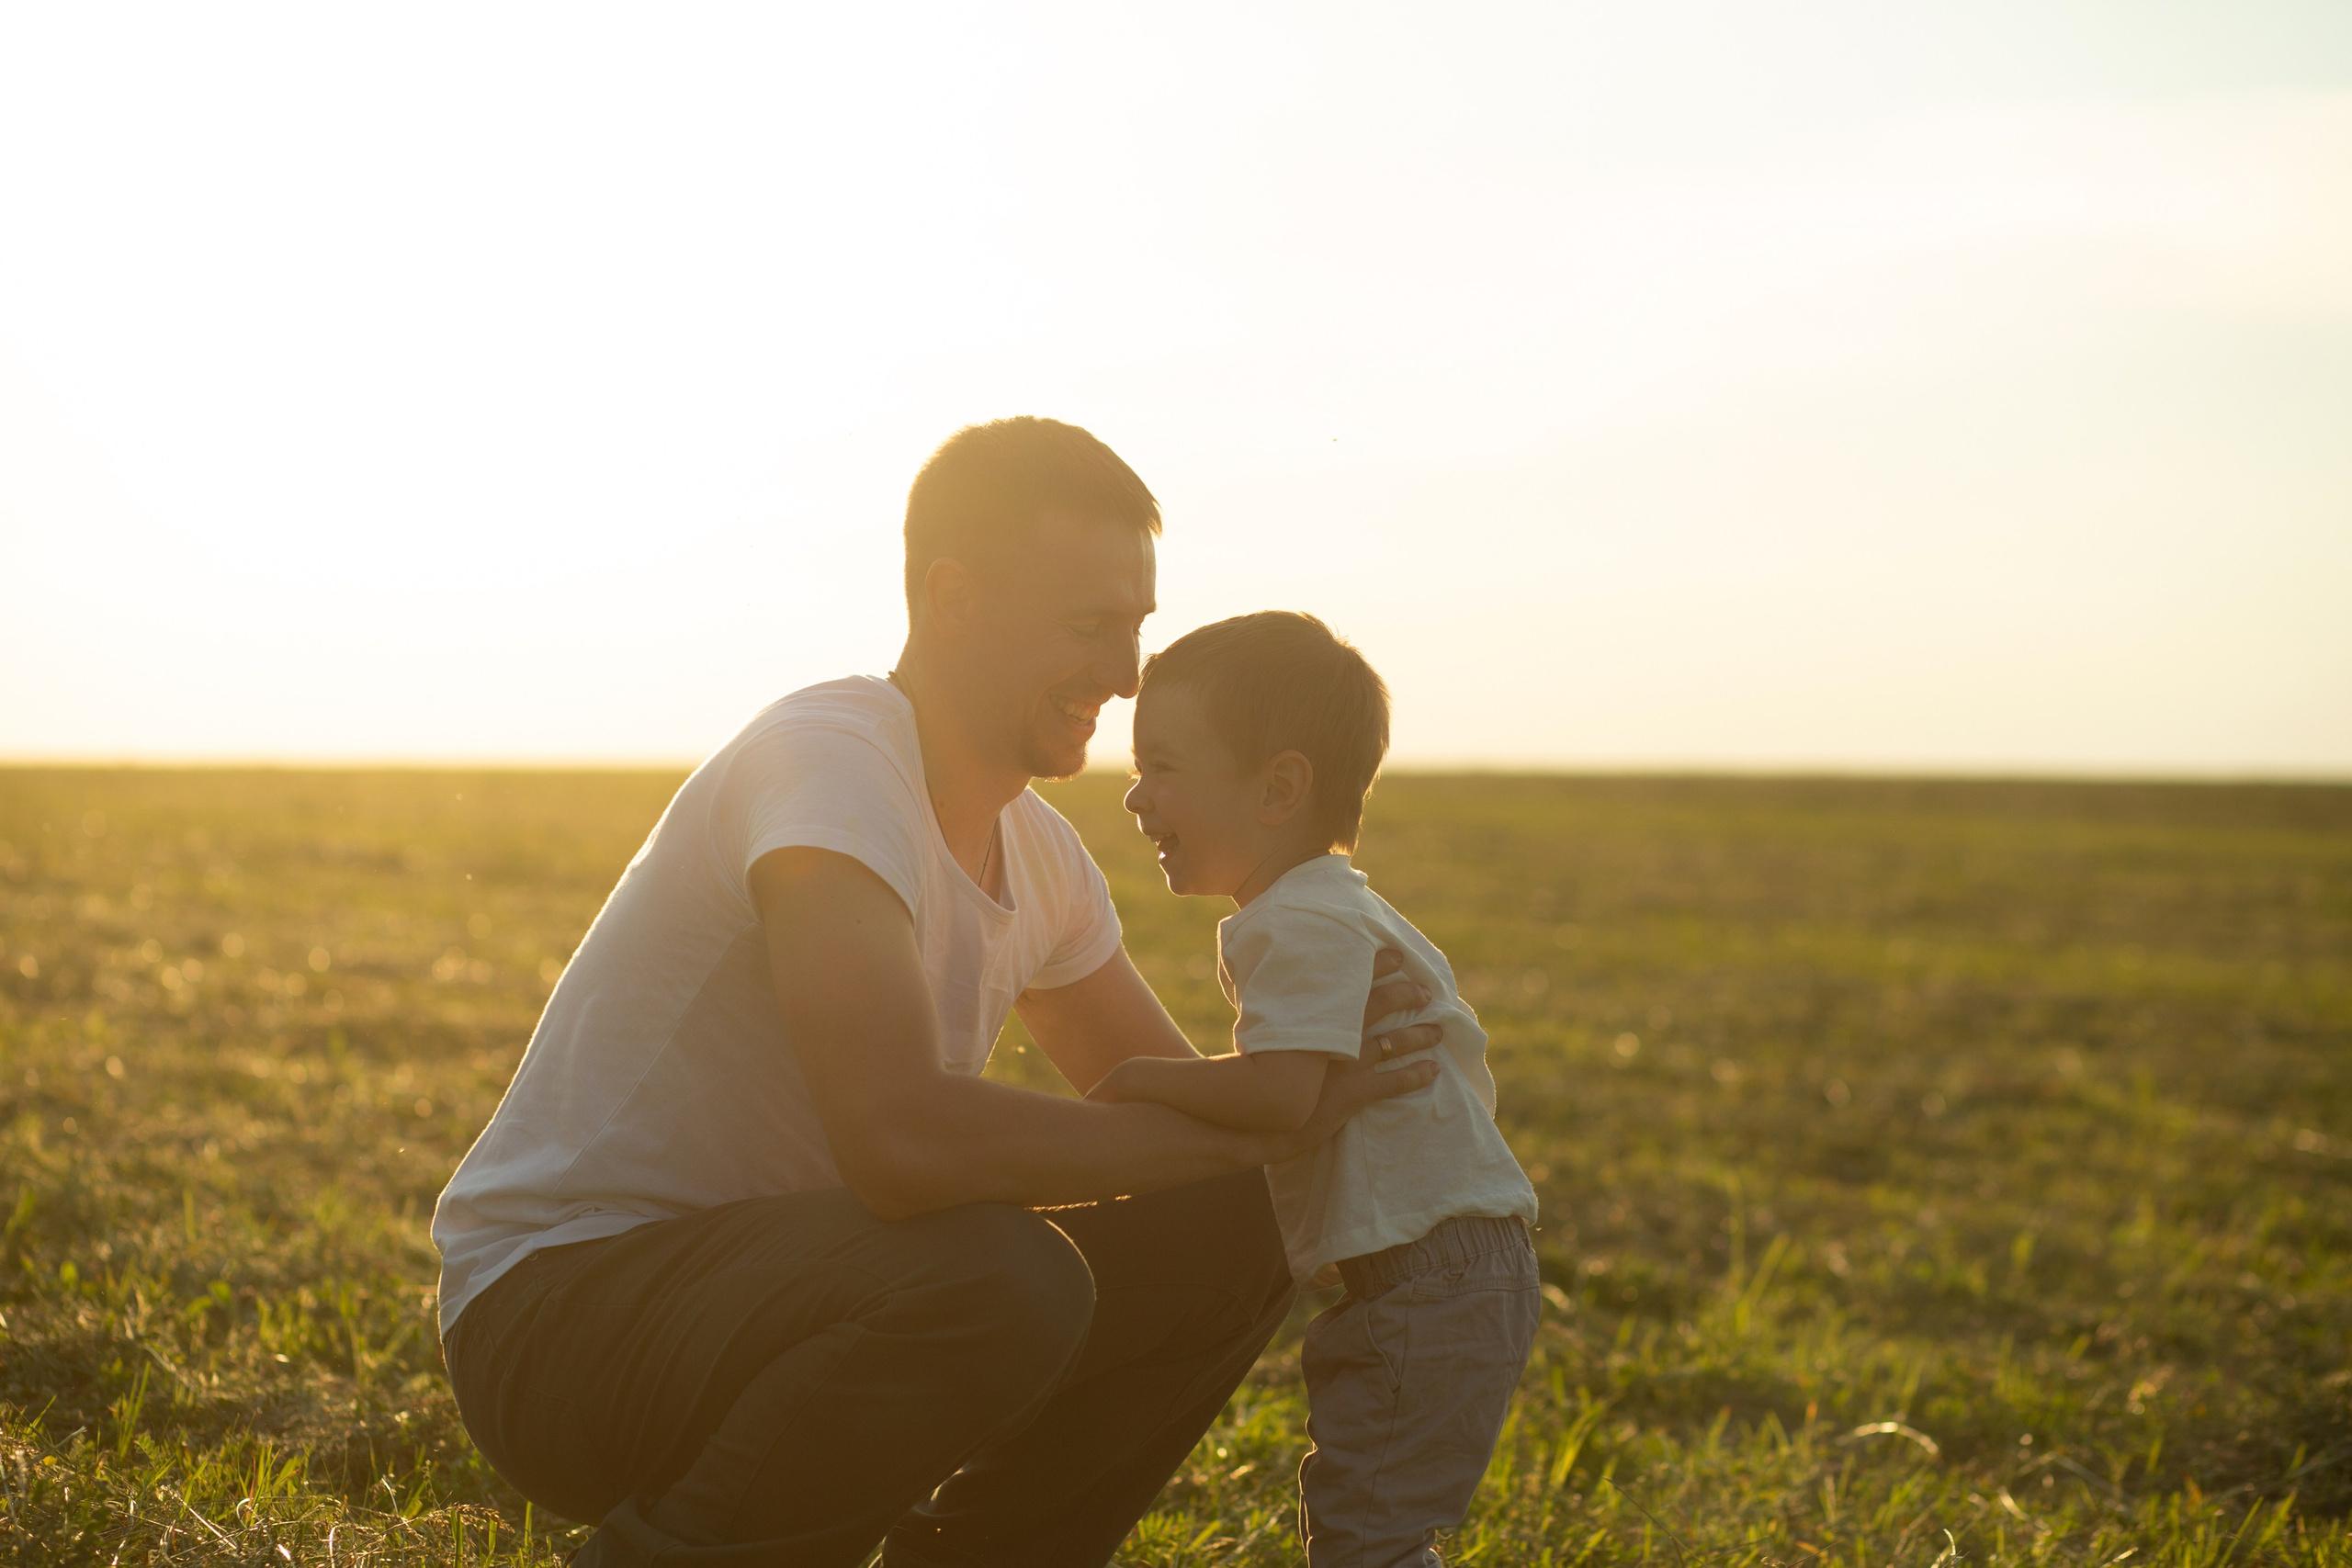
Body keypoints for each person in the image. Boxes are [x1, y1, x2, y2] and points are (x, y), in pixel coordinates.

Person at [430, 418, 1443, 1568]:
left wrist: (1321, 1097)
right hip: (559, 1324)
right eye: (1087, 626)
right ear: (950, 597)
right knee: (1002, 1278)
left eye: (1135, 631)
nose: (1123, 677)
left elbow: (1186, 1136)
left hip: (791, 1298)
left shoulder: (1043, 855)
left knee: (1232, 1222)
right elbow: (900, 1145)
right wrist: (1253, 1131)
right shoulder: (830, 761)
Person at [1094, 611, 1542, 1568]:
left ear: (1280, 787)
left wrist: (1141, 1081)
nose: (1136, 797)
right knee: (1368, 1524)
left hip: (1427, 1281)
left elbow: (1282, 1101)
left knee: (1364, 1537)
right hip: (1451, 1271)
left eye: (1164, 766)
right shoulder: (1340, 906)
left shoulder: (1291, 921)